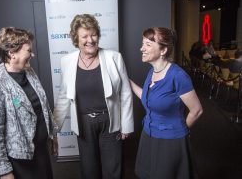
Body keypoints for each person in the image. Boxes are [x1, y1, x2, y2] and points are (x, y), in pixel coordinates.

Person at [53, 14, 134, 179]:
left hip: (110, 121)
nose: (90, 40)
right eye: (85, 36)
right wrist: (54, 130)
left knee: (113, 169)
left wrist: (126, 125)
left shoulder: (114, 57)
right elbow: (63, 97)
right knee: (89, 170)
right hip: (83, 124)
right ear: (76, 39)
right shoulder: (66, 61)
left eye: (94, 34)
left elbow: (125, 92)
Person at [0, 27, 56, 179]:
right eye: (28, 50)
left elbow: (43, 106)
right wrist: (4, 172)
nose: (32, 54)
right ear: (12, 53)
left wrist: (52, 135)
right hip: (20, 160)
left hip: (40, 151)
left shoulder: (28, 71)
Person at [130, 27, 203, 179]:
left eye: (148, 44)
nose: (141, 48)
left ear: (163, 50)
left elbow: (196, 110)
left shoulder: (178, 76)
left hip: (170, 141)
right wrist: (127, 81)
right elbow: (148, 99)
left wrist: (180, 132)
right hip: (149, 136)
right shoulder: (152, 72)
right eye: (143, 43)